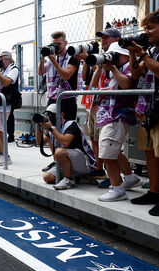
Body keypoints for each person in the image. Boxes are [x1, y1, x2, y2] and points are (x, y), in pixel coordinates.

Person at [90, 42, 142, 201]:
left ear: (125, 56)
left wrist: (112, 68)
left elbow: (127, 84)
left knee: (107, 154)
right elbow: (93, 85)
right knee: (112, 150)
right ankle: (130, 178)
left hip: (118, 114)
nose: (112, 58)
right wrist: (100, 66)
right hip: (108, 114)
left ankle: (117, 189)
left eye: (115, 55)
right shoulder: (112, 70)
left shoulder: (127, 67)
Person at [127, 8, 159, 215]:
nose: (146, 32)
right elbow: (136, 72)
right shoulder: (153, 50)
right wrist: (134, 52)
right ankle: (154, 191)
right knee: (150, 153)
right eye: (145, 28)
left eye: (151, 27)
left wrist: (142, 54)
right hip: (147, 109)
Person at [38, 31, 82, 171]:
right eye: (54, 44)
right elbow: (40, 72)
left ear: (65, 43)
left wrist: (54, 61)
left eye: (59, 44)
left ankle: (66, 162)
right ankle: (55, 161)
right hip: (52, 98)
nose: (56, 47)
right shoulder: (51, 58)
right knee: (50, 130)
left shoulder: (73, 57)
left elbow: (67, 75)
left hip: (67, 99)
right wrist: (42, 58)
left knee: (64, 133)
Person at [40, 104, 95, 189]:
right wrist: (37, 124)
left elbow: (66, 142)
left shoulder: (71, 124)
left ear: (61, 114)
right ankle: (80, 178)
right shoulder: (52, 129)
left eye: (52, 115)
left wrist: (51, 128)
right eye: (48, 115)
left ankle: (69, 180)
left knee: (60, 151)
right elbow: (39, 142)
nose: (50, 117)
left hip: (85, 162)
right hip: (70, 163)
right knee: (47, 177)